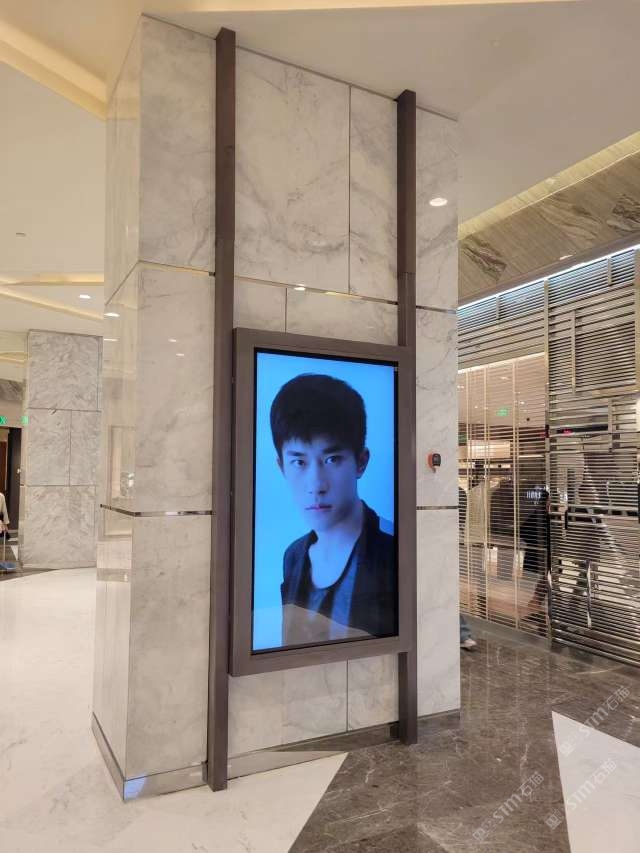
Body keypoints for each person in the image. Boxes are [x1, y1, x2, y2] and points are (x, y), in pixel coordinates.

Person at [270, 373, 396, 647]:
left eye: (332, 459)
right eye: (299, 462)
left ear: (360, 462)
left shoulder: (395, 549)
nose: (316, 485)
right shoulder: (293, 556)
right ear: (282, 467)